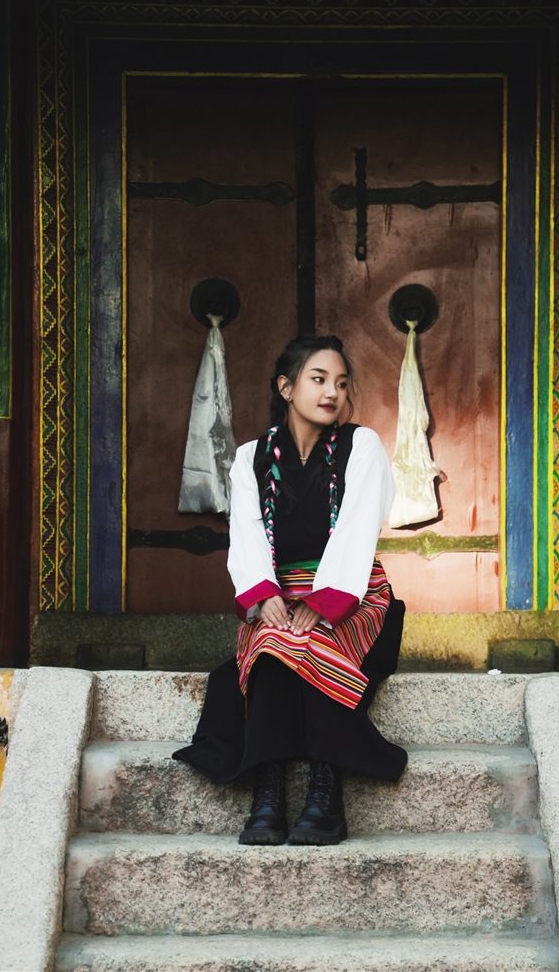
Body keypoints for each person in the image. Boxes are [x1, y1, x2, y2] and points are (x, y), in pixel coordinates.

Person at [173, 334, 407, 846]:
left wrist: (326, 603)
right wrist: (263, 596)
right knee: (272, 641)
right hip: (279, 593)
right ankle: (269, 791)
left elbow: (357, 531)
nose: (332, 392)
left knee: (312, 640)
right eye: (318, 379)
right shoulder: (250, 458)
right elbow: (248, 534)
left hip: (354, 592)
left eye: (341, 383)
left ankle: (326, 791)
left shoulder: (361, 446)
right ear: (286, 387)